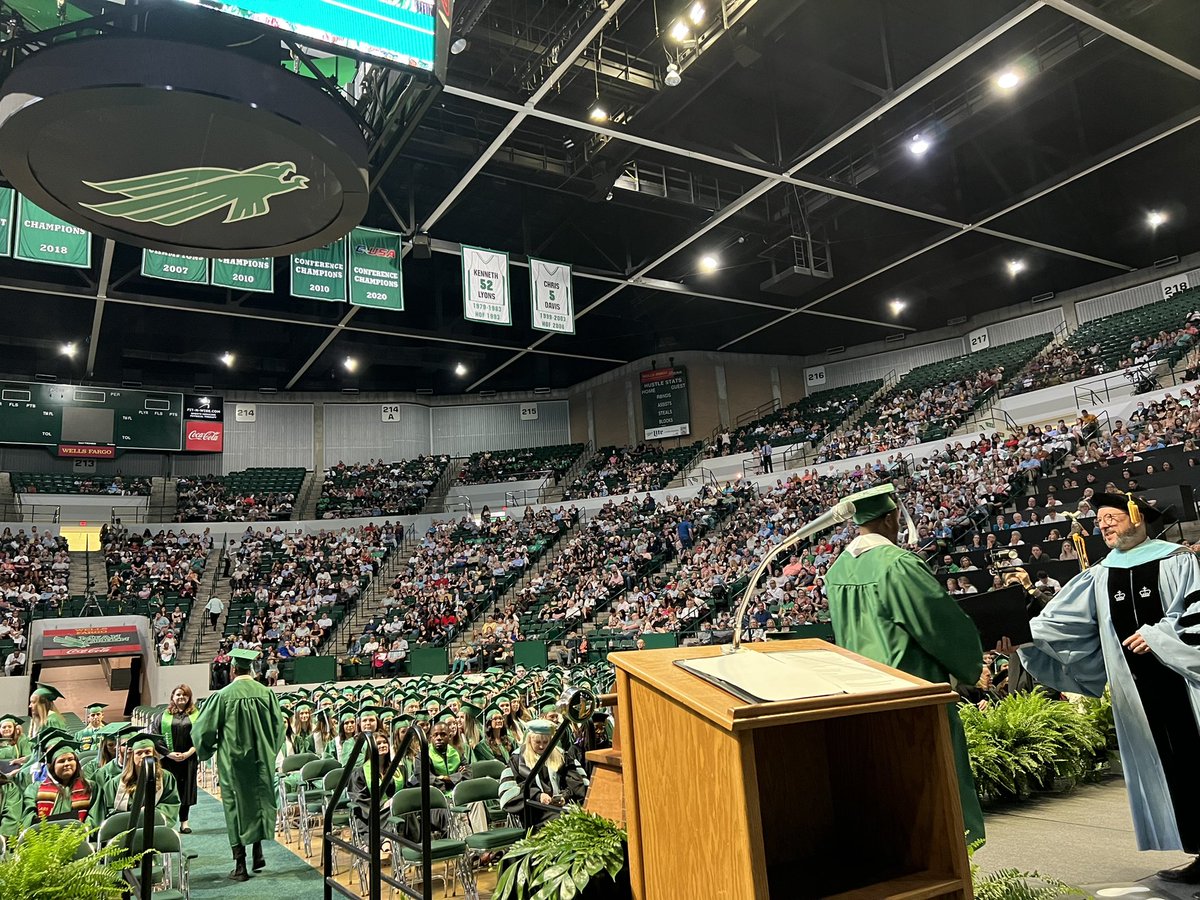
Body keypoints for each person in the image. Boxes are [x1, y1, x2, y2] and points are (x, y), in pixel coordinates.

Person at [1007, 492, 1200, 886]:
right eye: (1100, 521)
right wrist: (1015, 634)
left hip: (1185, 683)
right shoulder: (1100, 573)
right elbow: (1059, 622)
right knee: (1172, 770)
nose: (1104, 525)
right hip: (1137, 694)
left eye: (1111, 516)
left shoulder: (1178, 559)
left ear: (1138, 516)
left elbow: (1194, 611)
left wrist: (1161, 636)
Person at [824, 483, 986, 844]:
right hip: (913, 691)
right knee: (933, 789)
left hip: (864, 692)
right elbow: (938, 624)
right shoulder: (897, 564)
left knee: (889, 788)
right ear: (890, 519)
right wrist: (973, 663)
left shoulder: (836, 573)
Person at [193, 647, 286, 881]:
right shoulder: (267, 694)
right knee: (260, 801)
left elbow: (202, 730)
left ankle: (241, 865)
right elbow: (278, 730)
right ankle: (258, 851)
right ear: (252, 669)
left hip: (232, 762)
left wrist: (210, 749)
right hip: (261, 761)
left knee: (236, 807)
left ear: (233, 669)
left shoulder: (222, 696)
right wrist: (269, 753)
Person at [498, 719, 588, 829]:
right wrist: (538, 796)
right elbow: (512, 793)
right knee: (563, 820)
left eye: (546, 742)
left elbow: (575, 783)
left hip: (563, 807)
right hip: (535, 813)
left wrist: (564, 796)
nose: (541, 746)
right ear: (529, 740)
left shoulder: (561, 756)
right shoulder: (518, 760)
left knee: (581, 818)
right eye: (537, 742)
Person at [89, 732, 180, 827]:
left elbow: (171, 803)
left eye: (148, 752)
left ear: (154, 754)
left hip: (154, 826)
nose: (144, 756)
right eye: (139, 753)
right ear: (133, 757)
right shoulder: (116, 782)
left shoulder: (166, 778)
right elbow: (107, 808)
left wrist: (150, 812)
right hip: (124, 827)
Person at [155, 683, 200, 834]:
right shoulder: (163, 716)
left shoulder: (196, 716)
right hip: (168, 760)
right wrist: (168, 753)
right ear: (173, 697)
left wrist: (188, 753)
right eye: (178, 695)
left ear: (189, 697)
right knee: (168, 789)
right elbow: (156, 737)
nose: (181, 697)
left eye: (184, 695)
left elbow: (201, 736)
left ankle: (184, 823)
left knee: (185, 790)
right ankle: (165, 821)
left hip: (189, 759)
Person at [22, 739, 94, 826]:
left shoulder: (90, 787)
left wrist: (82, 830)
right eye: (61, 761)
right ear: (52, 766)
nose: (67, 764)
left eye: (70, 759)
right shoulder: (34, 789)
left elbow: (94, 817)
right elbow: (28, 817)